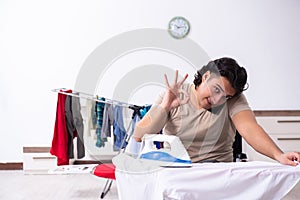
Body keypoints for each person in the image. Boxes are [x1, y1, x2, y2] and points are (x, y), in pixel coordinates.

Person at [133, 57, 300, 166]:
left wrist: (279, 155)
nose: (218, 100)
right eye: (216, 90)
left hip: (218, 168)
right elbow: (139, 135)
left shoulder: (234, 99)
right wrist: (165, 107)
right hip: (179, 169)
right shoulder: (174, 94)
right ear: (206, 76)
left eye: (225, 96)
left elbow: (250, 129)